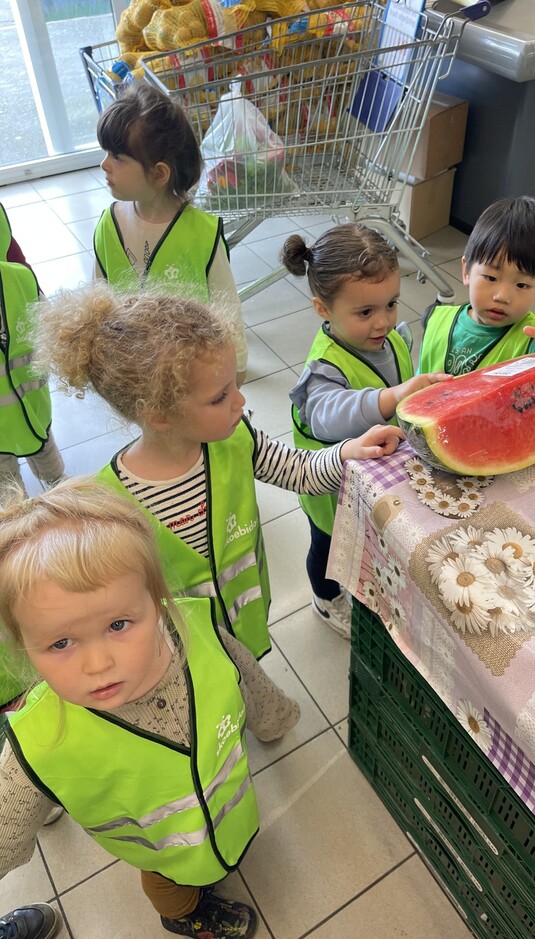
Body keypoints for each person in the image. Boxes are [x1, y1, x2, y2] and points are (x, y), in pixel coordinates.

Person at [0, 478, 312, 937]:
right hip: (161, 856)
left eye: (119, 623)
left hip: (231, 809)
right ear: (25, 648)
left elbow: (248, 679)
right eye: (61, 642)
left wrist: (273, 719)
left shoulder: (202, 635)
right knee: (171, 886)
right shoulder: (37, 746)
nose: (98, 662)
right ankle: (182, 914)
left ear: (159, 601)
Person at [33, 284, 403, 661]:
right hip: (183, 652)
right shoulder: (111, 506)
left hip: (246, 616)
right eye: (219, 396)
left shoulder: (237, 439)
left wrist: (345, 453)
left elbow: (299, 469)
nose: (240, 402)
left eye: (234, 387)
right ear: (159, 415)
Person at [284, 223, 449, 639]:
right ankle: (325, 599)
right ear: (323, 309)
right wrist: (392, 396)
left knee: (365, 544)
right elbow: (328, 414)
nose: (383, 322)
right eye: (365, 312)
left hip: (377, 478)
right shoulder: (322, 369)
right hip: (330, 490)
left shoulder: (389, 339)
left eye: (391, 304)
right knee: (327, 549)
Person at [93, 82, 248, 383]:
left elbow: (227, 307)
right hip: (135, 372)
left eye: (117, 157)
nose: (104, 165)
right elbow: (99, 302)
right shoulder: (107, 225)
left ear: (159, 173)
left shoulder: (202, 234)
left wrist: (236, 367)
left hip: (193, 373)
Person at [418, 195, 535, 375]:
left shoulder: (534, 342)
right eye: (491, 278)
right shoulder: (436, 319)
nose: (502, 296)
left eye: (522, 285)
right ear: (467, 272)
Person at [0, 203, 64, 501]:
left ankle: (58, 495)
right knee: (37, 451)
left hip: (30, 402)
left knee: (39, 454)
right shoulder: (20, 277)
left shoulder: (19, 277)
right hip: (31, 402)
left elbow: (47, 319)